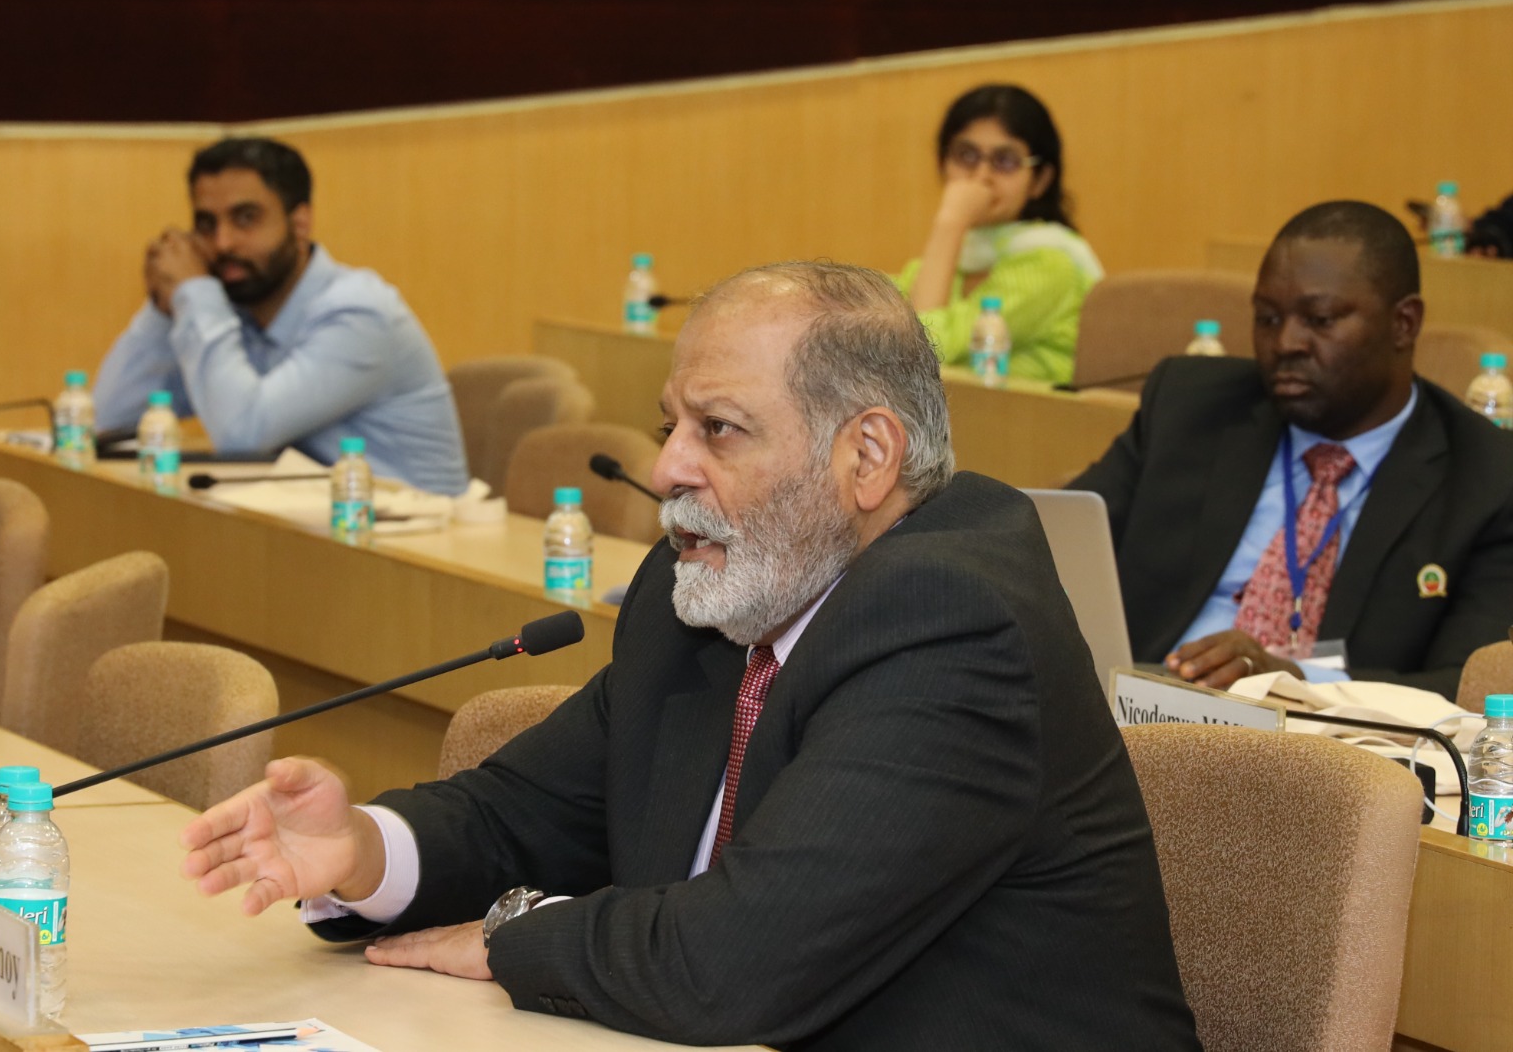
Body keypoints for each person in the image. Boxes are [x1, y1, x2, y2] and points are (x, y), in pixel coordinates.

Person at [180, 262, 1198, 1050]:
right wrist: (362, 848)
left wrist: (509, 937)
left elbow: (735, 961)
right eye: (672, 424)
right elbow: (524, 812)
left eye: (719, 430)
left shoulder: (952, 620)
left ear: (867, 456)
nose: (668, 466)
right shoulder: (705, 598)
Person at [1071, 201, 1513, 700]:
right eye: (1267, 318)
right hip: (1141, 708)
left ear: (1404, 323)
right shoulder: (1188, 407)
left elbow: (1474, 686)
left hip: (1339, 738)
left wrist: (1295, 681)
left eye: (1319, 319)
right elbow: (1057, 543)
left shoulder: (1488, 478)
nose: (1285, 342)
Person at [93, 137, 469, 495]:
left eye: (246, 218)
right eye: (207, 224)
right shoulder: (231, 311)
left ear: (300, 223)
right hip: (310, 527)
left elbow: (243, 435)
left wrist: (195, 293)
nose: (223, 243)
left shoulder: (358, 313)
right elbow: (109, 419)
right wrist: (166, 306)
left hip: (411, 532)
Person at [894, 84, 1103, 385]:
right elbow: (886, 357)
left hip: (1034, 416)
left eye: (1005, 160)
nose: (982, 176)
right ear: (943, 163)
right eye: (966, 155)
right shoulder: (928, 268)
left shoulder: (1051, 267)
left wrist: (950, 223)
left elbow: (918, 355)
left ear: (1040, 180)